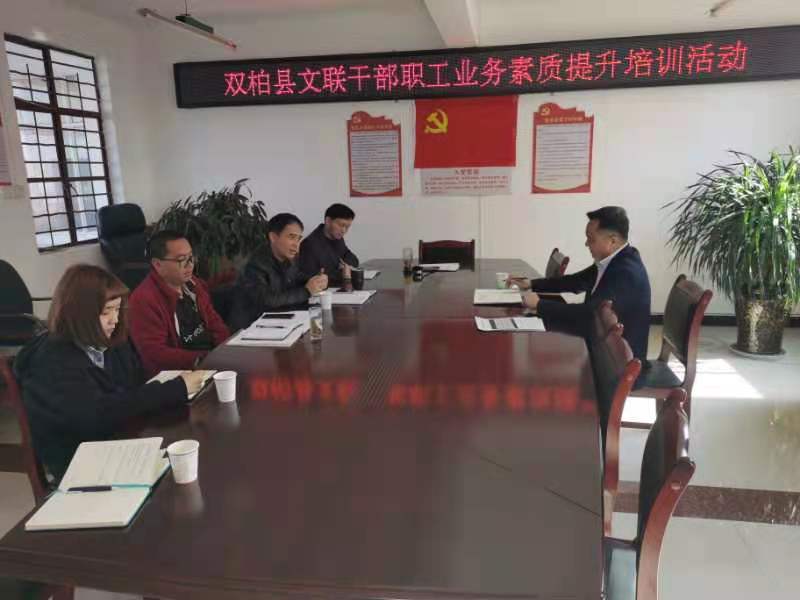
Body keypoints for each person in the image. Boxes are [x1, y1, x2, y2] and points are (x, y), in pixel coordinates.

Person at [14, 264, 207, 482]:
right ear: (79, 313)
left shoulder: (112, 341)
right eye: (106, 312)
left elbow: (135, 387)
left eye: (117, 309)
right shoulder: (50, 362)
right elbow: (96, 416)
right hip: (80, 464)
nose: (114, 320)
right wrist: (173, 389)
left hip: (122, 441)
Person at [509, 206, 651, 363]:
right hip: (599, 340)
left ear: (612, 240)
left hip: (617, 362)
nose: (586, 244)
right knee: (533, 330)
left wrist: (540, 305)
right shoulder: (615, 260)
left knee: (534, 351)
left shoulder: (625, 272)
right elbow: (575, 281)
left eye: (591, 239)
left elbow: (591, 314)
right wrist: (531, 284)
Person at [128, 230, 230, 378]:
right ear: (158, 264)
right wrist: (204, 359)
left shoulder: (193, 284)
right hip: (180, 375)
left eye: (191, 257)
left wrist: (227, 350)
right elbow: (155, 354)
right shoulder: (143, 300)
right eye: (181, 260)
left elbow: (214, 323)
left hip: (211, 361)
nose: (190, 265)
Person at [228, 213, 328, 331]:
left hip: (280, 322)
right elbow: (267, 301)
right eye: (291, 237)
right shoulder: (256, 264)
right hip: (252, 328)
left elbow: (297, 279)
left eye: (298, 239)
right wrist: (306, 291)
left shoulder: (289, 259)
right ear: (273, 237)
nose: (296, 244)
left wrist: (316, 281)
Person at [299, 203, 360, 286]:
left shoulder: (337, 238)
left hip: (338, 286)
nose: (344, 230)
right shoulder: (309, 245)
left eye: (347, 227)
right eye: (341, 225)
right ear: (328, 221)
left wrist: (345, 266)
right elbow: (311, 279)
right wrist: (342, 272)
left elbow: (352, 258)